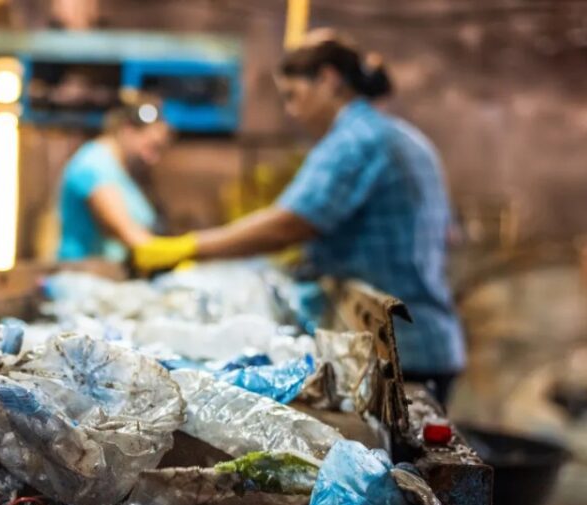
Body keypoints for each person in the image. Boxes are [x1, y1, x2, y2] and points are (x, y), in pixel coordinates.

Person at [134, 31, 464, 405]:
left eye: (293, 95)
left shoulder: (356, 139)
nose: (291, 111)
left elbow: (290, 223)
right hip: (424, 339)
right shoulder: (397, 134)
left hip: (404, 352)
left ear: (328, 79)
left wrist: (188, 247)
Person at [56, 98, 172, 261]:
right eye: (151, 147)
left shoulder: (123, 171)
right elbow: (131, 236)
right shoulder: (93, 166)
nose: (153, 159)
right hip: (83, 276)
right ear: (128, 130)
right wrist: (194, 247)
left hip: (110, 275)